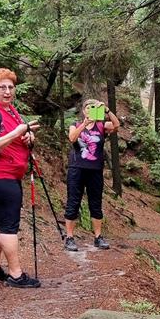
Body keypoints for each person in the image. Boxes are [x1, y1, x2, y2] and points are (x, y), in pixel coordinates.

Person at [0, 68, 40, 288]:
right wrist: (17, 133)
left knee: (0, 221)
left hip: (9, 174)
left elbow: (17, 136)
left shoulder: (12, 111)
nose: (7, 91)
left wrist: (27, 137)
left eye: (10, 87)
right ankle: (16, 274)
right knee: (9, 225)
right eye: (2, 87)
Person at [63, 98, 120, 251]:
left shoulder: (102, 126)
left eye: (93, 107)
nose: (90, 109)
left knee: (95, 203)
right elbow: (72, 138)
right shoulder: (75, 124)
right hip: (77, 169)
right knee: (73, 202)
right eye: (88, 107)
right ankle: (69, 237)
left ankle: (98, 237)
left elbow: (116, 125)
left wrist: (107, 110)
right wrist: (85, 123)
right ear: (83, 110)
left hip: (95, 170)